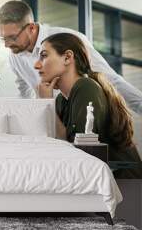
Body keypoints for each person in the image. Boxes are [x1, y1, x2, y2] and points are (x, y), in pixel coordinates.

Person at [0, 0, 142, 114]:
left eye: (12, 38)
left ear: (31, 28)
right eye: (2, 38)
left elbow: (110, 80)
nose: (6, 45)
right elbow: (24, 95)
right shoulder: (15, 55)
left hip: (88, 118)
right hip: (57, 125)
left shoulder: (68, 39)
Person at [34, 32, 142, 178]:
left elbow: (79, 151)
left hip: (125, 184)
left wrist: (46, 105)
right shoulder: (61, 100)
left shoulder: (86, 87)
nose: (36, 64)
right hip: (99, 182)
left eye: (44, 55)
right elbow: (56, 146)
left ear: (67, 57)